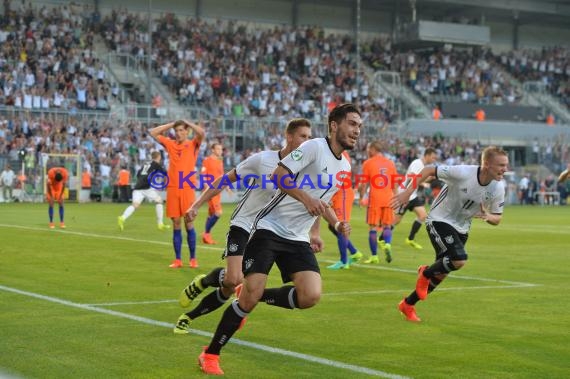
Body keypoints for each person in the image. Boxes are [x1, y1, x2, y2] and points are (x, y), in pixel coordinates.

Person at [196, 103, 362, 375]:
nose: (357, 131)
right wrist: (307, 198)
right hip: (269, 229)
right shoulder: (313, 147)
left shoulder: (344, 164)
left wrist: (337, 222)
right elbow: (279, 176)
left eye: (359, 126)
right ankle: (210, 353)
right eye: (352, 124)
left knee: (311, 295)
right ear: (334, 125)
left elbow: (325, 202)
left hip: (297, 238)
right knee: (247, 300)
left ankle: (257, 296)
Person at [173, 118, 312, 335]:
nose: (307, 141)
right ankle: (202, 283)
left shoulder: (304, 169)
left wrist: (313, 232)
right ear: (289, 137)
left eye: (309, 137)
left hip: (267, 232)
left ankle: (188, 316)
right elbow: (225, 179)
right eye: (303, 136)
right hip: (243, 223)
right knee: (233, 279)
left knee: (235, 287)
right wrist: (196, 205)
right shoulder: (263, 159)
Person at [391, 146, 508, 322]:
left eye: (506, 165)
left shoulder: (498, 188)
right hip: (439, 220)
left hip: (462, 228)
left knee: (442, 272)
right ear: (486, 164)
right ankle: (425, 273)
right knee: (459, 259)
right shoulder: (463, 172)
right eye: (500, 165)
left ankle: (407, 304)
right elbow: (428, 170)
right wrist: (408, 193)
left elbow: (497, 218)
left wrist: (486, 216)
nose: (504, 169)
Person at [150, 119, 205, 268]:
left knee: (189, 223)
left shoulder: (193, 144)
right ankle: (178, 259)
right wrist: (172, 124)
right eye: (177, 131)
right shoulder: (170, 144)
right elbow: (153, 132)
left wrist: (188, 122)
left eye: (182, 130)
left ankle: (193, 259)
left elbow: (201, 132)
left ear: (187, 132)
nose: (179, 133)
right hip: (173, 188)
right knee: (175, 223)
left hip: (187, 188)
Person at [359, 141, 398, 264]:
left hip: (375, 199)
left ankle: (374, 256)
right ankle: (387, 244)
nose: (367, 150)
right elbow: (395, 183)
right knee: (387, 225)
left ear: (373, 149)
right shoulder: (390, 163)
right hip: (388, 198)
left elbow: (364, 183)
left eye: (368, 148)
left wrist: (361, 197)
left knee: (373, 228)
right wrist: (396, 198)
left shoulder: (368, 163)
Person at [393, 148, 438, 250]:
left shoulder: (423, 166)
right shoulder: (417, 163)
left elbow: (418, 178)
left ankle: (410, 239)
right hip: (404, 194)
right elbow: (412, 177)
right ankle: (382, 238)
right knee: (396, 220)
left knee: (423, 215)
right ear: (427, 155)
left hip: (412, 195)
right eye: (433, 157)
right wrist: (423, 183)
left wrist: (429, 178)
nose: (434, 159)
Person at [327, 150, 363, 270]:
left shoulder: (341, 153)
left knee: (341, 226)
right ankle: (354, 252)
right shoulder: (335, 151)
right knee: (332, 226)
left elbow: (337, 175)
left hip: (342, 193)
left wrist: (330, 194)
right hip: (338, 193)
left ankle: (343, 261)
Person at [117, 151, 170, 231]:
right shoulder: (156, 164)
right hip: (146, 187)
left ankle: (122, 217)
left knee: (135, 205)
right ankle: (160, 224)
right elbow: (165, 174)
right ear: (158, 157)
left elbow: (138, 174)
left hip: (138, 187)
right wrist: (165, 185)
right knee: (159, 201)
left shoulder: (146, 164)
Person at [200, 143, 225, 244]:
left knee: (211, 214)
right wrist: (206, 186)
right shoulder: (207, 161)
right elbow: (203, 174)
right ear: (213, 150)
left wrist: (227, 187)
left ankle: (206, 236)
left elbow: (222, 176)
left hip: (217, 190)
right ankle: (206, 233)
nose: (220, 151)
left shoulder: (220, 162)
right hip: (211, 190)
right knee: (218, 212)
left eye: (221, 149)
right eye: (218, 149)